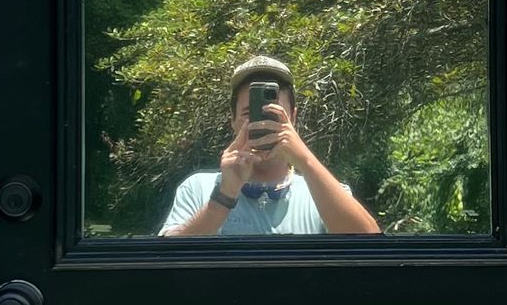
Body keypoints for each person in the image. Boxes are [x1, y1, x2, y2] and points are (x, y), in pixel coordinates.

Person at [160, 56, 381, 237]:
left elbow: (371, 248)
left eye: (273, 114)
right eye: (250, 114)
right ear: (233, 120)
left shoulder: (322, 192)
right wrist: (224, 196)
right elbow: (164, 264)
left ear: (292, 118)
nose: (262, 123)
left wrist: (305, 161)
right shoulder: (199, 189)